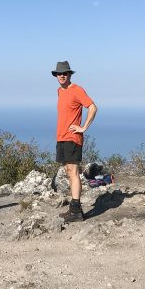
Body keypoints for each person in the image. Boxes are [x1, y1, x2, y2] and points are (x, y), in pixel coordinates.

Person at [52, 61, 97, 222]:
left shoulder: (77, 90)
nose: (62, 76)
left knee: (74, 172)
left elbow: (92, 107)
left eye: (65, 73)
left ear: (70, 74)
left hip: (72, 137)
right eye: (59, 73)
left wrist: (83, 127)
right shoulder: (59, 91)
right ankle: (74, 209)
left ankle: (76, 210)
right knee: (68, 172)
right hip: (61, 137)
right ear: (56, 76)